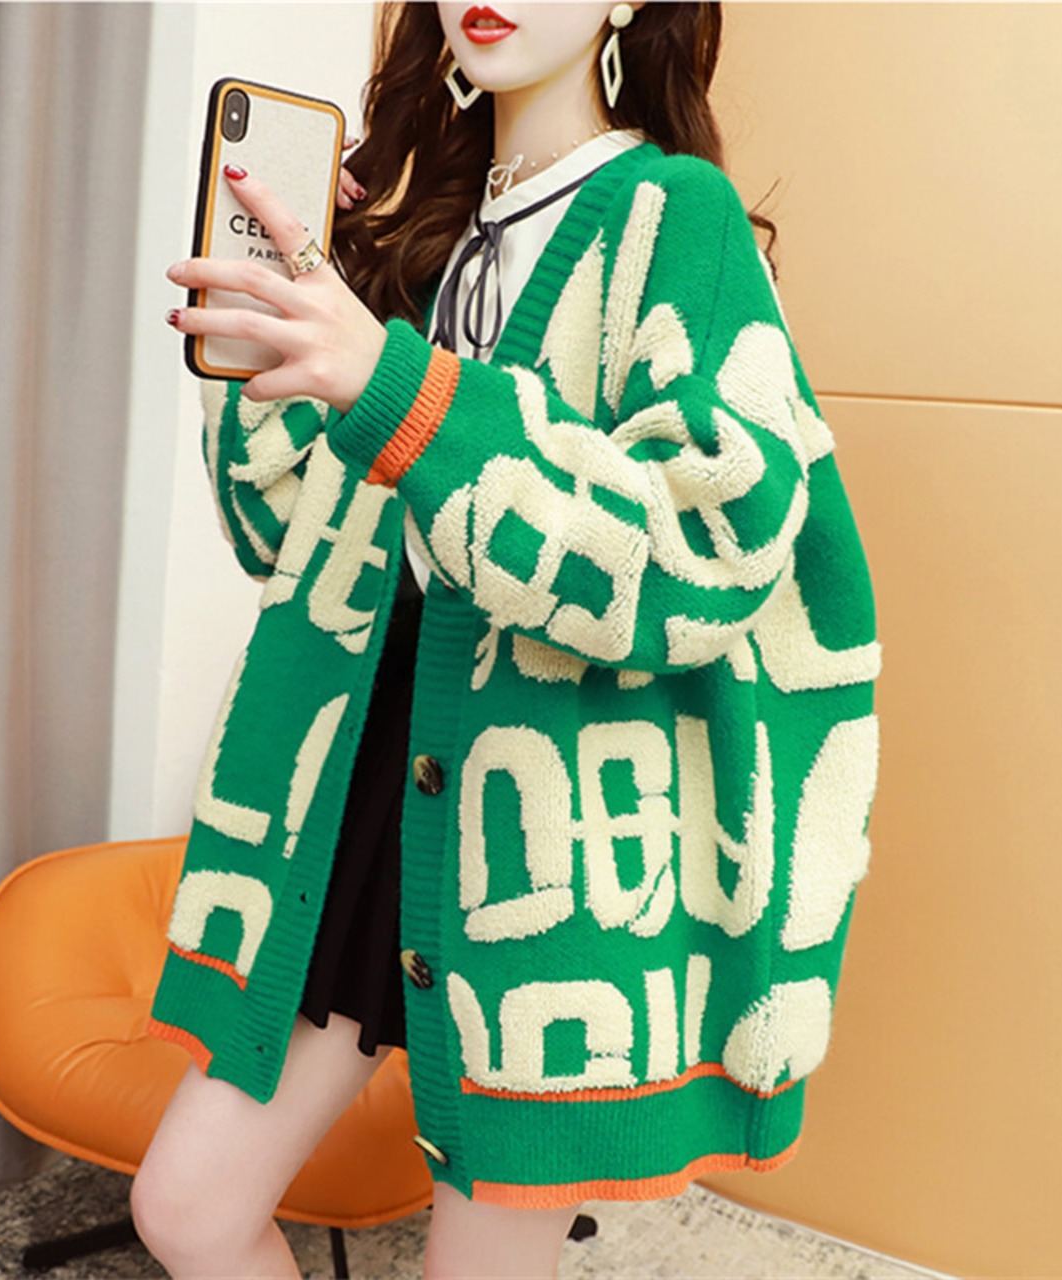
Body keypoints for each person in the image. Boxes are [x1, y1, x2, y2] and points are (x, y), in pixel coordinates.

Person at [131, 3, 881, 1277]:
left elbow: (702, 548)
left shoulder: (672, 215)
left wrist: (398, 389)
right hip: (365, 778)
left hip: (545, 821)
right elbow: (282, 538)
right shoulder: (428, 232)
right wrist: (265, 349)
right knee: (190, 1207)